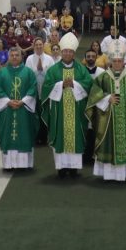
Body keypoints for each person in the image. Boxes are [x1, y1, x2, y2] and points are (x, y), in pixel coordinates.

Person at [87, 53, 126, 181]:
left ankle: (123, 174)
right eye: (115, 61)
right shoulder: (103, 77)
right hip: (108, 119)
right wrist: (107, 98)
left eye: (120, 61)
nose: (117, 63)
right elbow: (94, 94)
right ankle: (108, 175)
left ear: (124, 62)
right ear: (110, 62)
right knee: (108, 143)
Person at [41, 47, 94, 178]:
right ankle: (61, 168)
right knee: (60, 136)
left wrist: (75, 84)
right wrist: (61, 85)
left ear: (74, 53)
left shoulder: (81, 68)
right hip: (59, 110)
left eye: (70, 52)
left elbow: (89, 84)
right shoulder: (53, 69)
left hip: (77, 110)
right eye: (65, 51)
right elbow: (46, 86)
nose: (67, 54)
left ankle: (74, 168)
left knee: (76, 136)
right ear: (61, 53)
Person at [0, 46, 38, 169]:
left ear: (21, 57)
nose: (14, 57)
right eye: (12, 55)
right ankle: (9, 165)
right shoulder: (1, 73)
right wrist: (8, 101)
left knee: (24, 133)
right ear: (9, 57)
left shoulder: (28, 72)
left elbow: (33, 88)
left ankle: (25, 164)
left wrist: (23, 101)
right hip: (7, 110)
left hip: (24, 110)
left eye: (17, 55)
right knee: (8, 135)